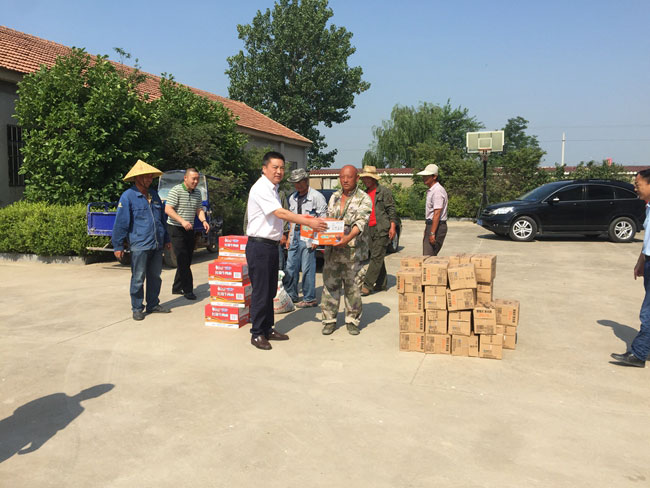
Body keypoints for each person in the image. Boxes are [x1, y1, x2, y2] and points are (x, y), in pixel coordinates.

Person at [246, 152, 327, 350]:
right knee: (261, 291)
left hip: (271, 246)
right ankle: (257, 333)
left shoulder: (273, 189)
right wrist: (309, 222)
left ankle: (267, 328)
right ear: (264, 168)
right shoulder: (261, 188)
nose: (279, 171)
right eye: (275, 167)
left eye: (282, 168)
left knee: (270, 290)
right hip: (260, 246)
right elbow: (280, 213)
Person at [112, 159, 172, 321]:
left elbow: (162, 219)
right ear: (137, 178)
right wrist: (118, 245)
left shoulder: (154, 195)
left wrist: (166, 238)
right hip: (140, 244)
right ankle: (137, 308)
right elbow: (121, 223)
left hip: (156, 244)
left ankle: (153, 304)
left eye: (151, 176)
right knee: (138, 277)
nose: (149, 179)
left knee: (155, 276)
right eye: (146, 176)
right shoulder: (128, 197)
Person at [321, 165, 372, 336]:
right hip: (333, 252)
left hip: (353, 253)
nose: (345, 180)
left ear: (357, 178)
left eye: (349, 177)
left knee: (353, 288)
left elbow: (361, 222)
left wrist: (347, 238)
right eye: (342, 176)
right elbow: (328, 220)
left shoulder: (363, 198)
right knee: (330, 286)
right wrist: (318, 238)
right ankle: (329, 320)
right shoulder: (334, 196)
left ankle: (352, 320)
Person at [611, 169, 650, 367]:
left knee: (648, 312)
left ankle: (639, 354)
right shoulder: (648, 207)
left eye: (638, 184)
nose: (635, 188)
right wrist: (641, 261)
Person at [282, 168, 328, 308]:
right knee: (290, 266)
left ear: (306, 181)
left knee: (307, 268)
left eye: (300, 182)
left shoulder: (317, 197)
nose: (298, 185)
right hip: (295, 234)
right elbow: (291, 219)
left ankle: (309, 298)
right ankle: (291, 295)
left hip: (309, 235)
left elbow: (323, 219)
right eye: (295, 183)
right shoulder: (292, 198)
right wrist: (289, 237)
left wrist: (316, 239)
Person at [164, 168, 210, 300]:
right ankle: (188, 289)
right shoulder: (176, 190)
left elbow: (199, 209)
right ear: (185, 178)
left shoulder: (197, 193)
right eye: (193, 179)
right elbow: (168, 209)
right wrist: (182, 221)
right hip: (176, 228)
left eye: (197, 179)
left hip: (189, 229)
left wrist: (204, 221)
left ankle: (177, 287)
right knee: (183, 258)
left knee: (187, 259)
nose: (195, 181)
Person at [359, 165, 398, 296]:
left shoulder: (384, 192)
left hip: (382, 228)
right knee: (377, 256)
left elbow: (391, 210)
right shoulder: (364, 194)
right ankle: (381, 283)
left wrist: (393, 227)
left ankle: (367, 285)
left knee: (376, 257)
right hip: (369, 229)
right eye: (364, 178)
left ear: (374, 179)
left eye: (368, 178)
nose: (366, 180)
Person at [417, 163, 448, 256]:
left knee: (428, 257)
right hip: (432, 225)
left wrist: (432, 233)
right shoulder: (432, 190)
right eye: (423, 176)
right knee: (430, 257)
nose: (424, 178)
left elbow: (437, 213)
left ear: (434, 177)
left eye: (426, 176)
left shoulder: (437, 191)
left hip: (437, 226)